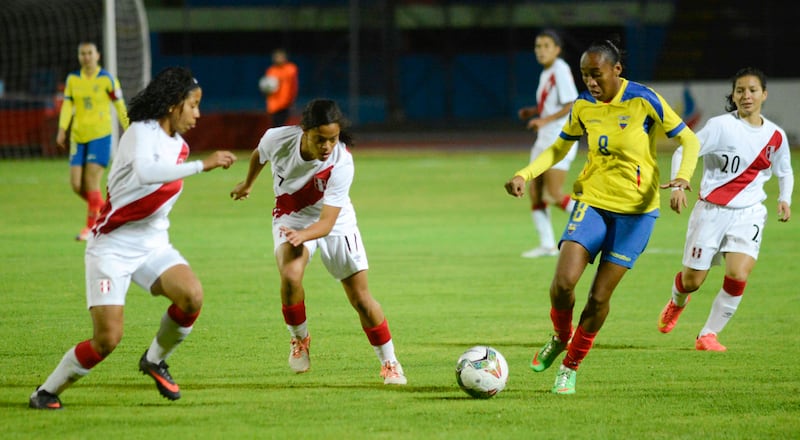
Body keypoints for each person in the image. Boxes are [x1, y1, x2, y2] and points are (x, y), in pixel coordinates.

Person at [29, 67, 237, 410]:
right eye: (193, 105)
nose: (198, 114)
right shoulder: (140, 132)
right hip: (111, 246)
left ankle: (154, 359)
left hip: (152, 243)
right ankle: (45, 392)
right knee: (107, 340)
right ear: (173, 105)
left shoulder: (180, 147)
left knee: (191, 296)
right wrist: (205, 165)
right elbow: (146, 172)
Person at [504, 39, 700, 395]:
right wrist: (525, 174)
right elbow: (560, 147)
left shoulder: (643, 99)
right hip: (592, 200)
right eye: (585, 76)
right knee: (563, 282)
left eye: (596, 75)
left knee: (598, 298)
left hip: (637, 214)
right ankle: (560, 336)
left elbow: (690, 140)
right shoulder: (583, 105)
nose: (591, 82)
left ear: (616, 70)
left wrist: (683, 179)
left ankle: (570, 365)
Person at [230, 98, 406, 385]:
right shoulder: (277, 139)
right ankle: (300, 340)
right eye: (319, 139)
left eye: (333, 139)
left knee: (361, 299)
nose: (326, 146)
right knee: (290, 274)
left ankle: (390, 362)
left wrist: (304, 236)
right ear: (304, 130)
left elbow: (326, 223)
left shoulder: (342, 162)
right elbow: (258, 156)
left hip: (335, 222)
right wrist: (247, 183)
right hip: (292, 217)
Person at [657, 67, 793, 351]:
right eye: (740, 90)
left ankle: (708, 334)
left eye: (752, 90)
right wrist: (680, 184)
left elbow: (785, 170)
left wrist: (785, 198)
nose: (746, 96)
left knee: (738, 274)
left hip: (749, 213)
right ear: (733, 94)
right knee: (693, 280)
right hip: (711, 211)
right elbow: (685, 148)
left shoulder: (775, 136)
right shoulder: (720, 126)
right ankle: (677, 301)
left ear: (764, 95)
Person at [56, 42, 130, 241]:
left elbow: (119, 105)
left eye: (90, 53)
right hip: (78, 137)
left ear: (98, 55)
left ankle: (91, 228)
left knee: (91, 181)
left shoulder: (107, 79)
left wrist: (129, 128)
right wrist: (62, 129)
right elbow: (67, 106)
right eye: (82, 54)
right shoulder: (73, 80)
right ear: (79, 56)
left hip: (100, 136)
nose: (86, 57)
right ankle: (109, 211)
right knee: (76, 184)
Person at [516, 29, 579, 258]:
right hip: (544, 138)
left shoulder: (560, 70)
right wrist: (533, 111)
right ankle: (547, 245)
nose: (540, 51)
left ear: (557, 49)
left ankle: (591, 220)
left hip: (558, 139)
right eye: (537, 46)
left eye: (546, 46)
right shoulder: (547, 72)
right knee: (535, 191)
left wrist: (543, 119)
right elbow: (553, 103)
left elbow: (572, 103)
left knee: (553, 194)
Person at [262, 48, 299, 127]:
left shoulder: (290, 69)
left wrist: (291, 100)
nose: (279, 59)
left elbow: (293, 86)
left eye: (281, 56)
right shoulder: (271, 70)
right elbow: (267, 88)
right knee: (275, 127)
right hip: (273, 105)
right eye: (277, 57)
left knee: (283, 126)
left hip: (285, 103)